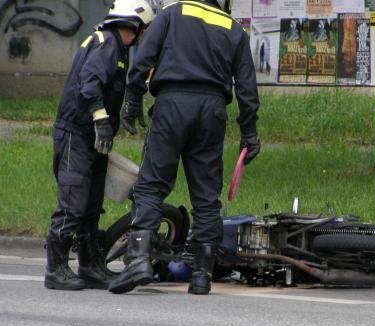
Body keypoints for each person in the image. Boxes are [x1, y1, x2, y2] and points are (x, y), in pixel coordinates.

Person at [109, 0, 261, 295]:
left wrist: (132, 97)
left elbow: (145, 56)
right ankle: (202, 275)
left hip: (172, 104)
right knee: (206, 194)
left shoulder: (172, 13)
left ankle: (139, 260)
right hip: (212, 110)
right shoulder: (232, 27)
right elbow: (246, 86)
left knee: (151, 185)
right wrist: (249, 132)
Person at [45, 0, 156, 290]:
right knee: (73, 202)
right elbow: (89, 83)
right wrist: (101, 120)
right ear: (134, 24)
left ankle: (89, 266)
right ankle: (55, 270)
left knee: (92, 205)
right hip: (77, 135)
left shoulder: (116, 48)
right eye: (143, 28)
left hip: (92, 139)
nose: (144, 35)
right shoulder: (106, 44)